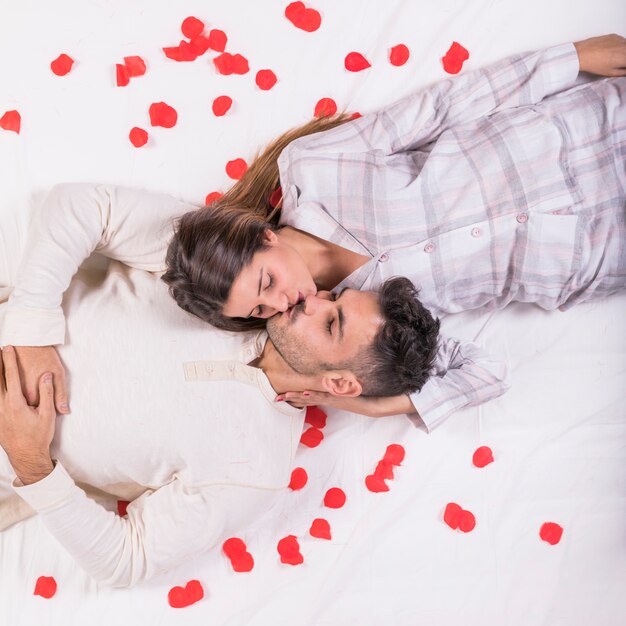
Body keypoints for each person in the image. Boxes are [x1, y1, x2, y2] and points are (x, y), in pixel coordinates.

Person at [159, 34, 626, 429]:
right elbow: (483, 373)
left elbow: (441, 109)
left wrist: (571, 58)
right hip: (597, 250)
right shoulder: (360, 328)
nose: (280, 305)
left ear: (265, 235)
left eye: (267, 283)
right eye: (260, 309)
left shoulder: (311, 167)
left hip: (579, 135)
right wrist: (375, 404)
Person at [0, 185, 441, 587]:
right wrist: (31, 333)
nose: (315, 299)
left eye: (331, 323)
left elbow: (124, 561)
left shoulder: (255, 468)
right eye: (334, 297)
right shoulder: (229, 283)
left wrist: (31, 460)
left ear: (341, 382)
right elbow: (86, 206)